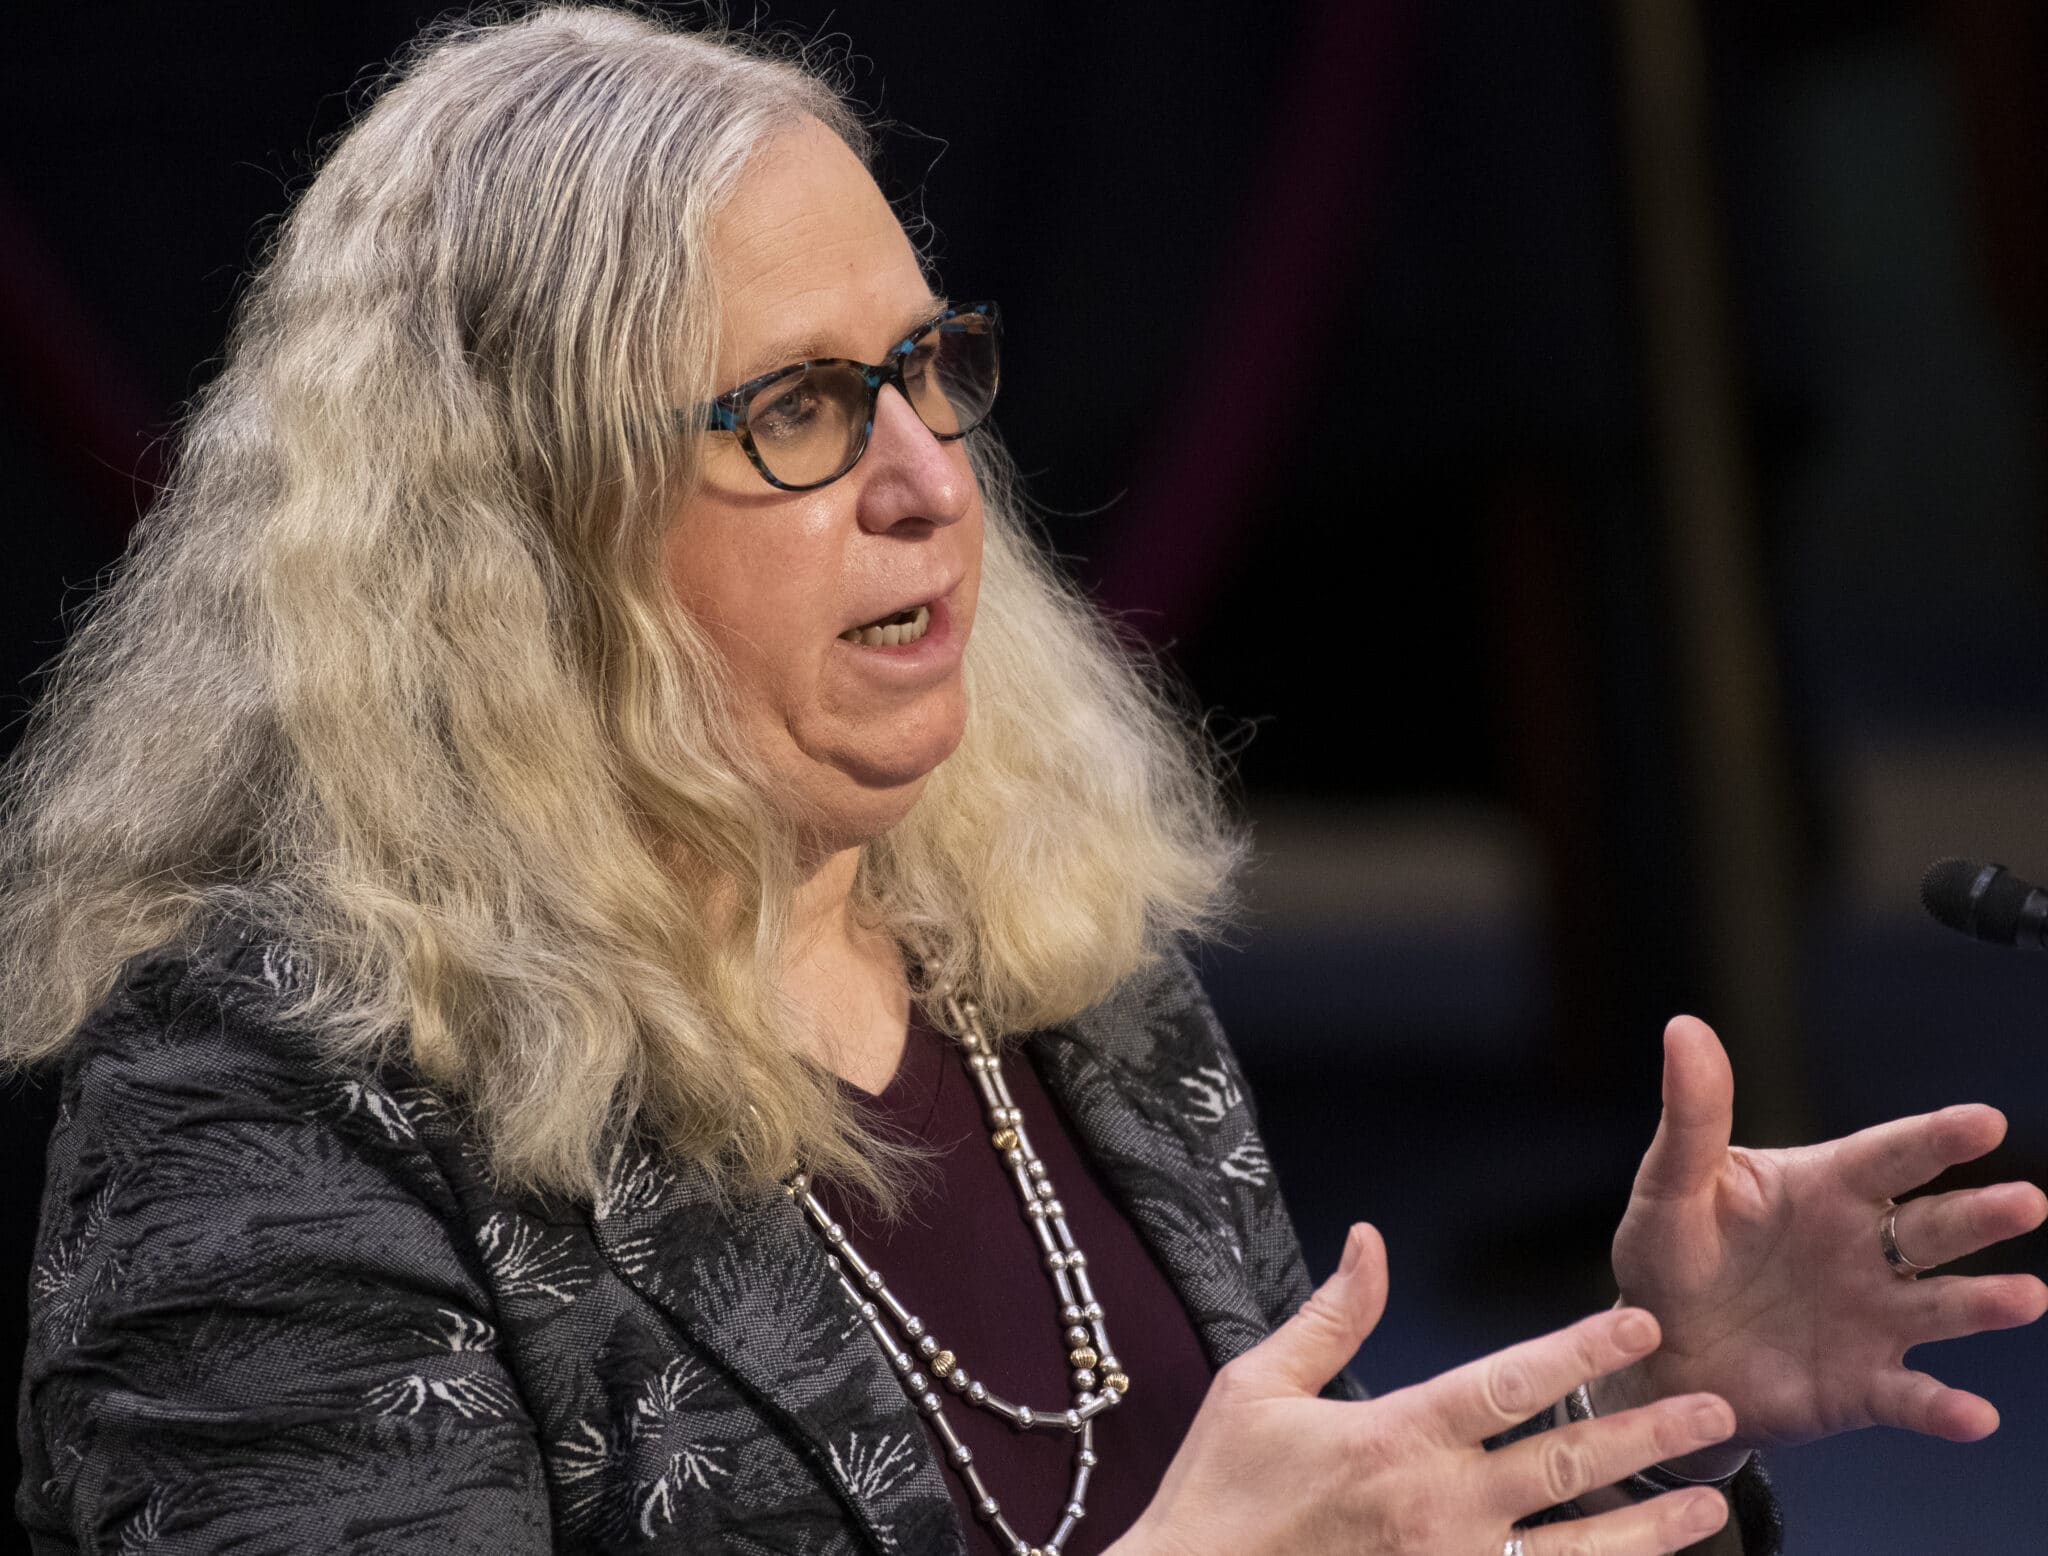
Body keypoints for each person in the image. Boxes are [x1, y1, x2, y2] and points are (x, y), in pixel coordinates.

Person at [6, 9, 2043, 1554]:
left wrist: (1640, 1408)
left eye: (923, 371)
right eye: (798, 409)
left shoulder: (1047, 967)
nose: (923, 481)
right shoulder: (258, 1098)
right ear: (516, 534)